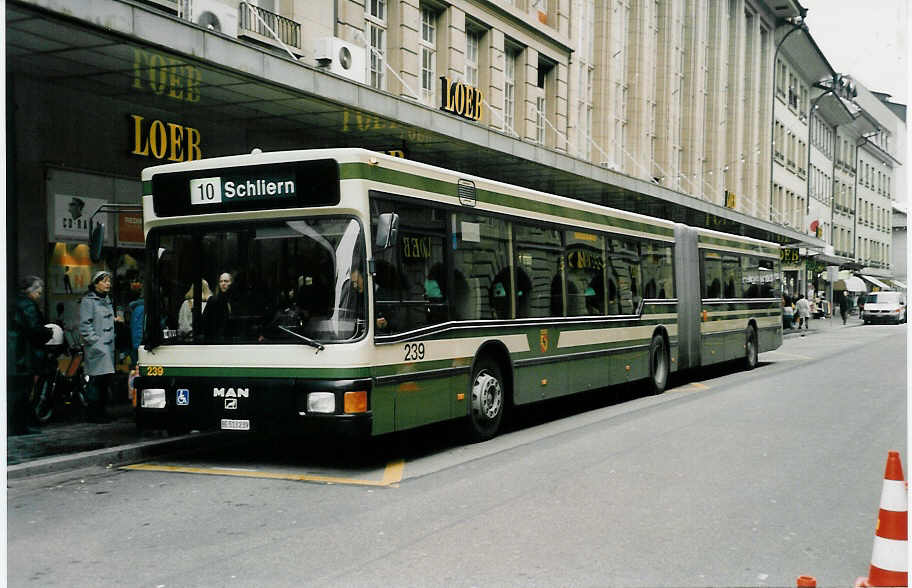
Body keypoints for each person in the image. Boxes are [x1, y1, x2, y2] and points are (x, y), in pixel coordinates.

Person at [7, 276, 53, 435]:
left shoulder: (14, 302)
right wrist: (49, 332)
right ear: (31, 291)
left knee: (15, 392)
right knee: (22, 392)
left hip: (13, 355)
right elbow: (35, 330)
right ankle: (19, 427)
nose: (39, 296)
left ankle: (17, 425)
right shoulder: (28, 305)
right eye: (38, 293)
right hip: (22, 356)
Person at [79, 270, 123, 423]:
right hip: (98, 347)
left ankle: (101, 412)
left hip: (108, 346)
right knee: (96, 381)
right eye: (104, 281)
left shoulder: (107, 300)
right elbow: (85, 325)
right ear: (95, 283)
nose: (108, 284)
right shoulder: (88, 301)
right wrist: (95, 341)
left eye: (109, 281)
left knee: (104, 381)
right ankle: (93, 413)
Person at [202, 272, 233, 339]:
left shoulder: (235, 300)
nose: (223, 283)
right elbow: (205, 322)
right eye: (221, 281)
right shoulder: (213, 301)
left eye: (226, 281)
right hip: (216, 340)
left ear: (231, 283)